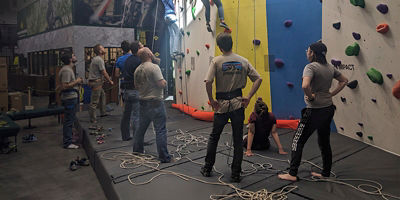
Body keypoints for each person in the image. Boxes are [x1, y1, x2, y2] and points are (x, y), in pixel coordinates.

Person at [278, 42, 348, 181]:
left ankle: (292, 174)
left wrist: (311, 97)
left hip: (314, 110)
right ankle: (325, 173)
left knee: (297, 140)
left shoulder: (310, 67)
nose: (307, 53)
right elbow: (344, 81)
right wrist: (331, 94)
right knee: (324, 141)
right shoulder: (330, 67)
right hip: (328, 108)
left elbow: (305, 85)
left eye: (308, 51)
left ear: (313, 53)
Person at [201, 33, 262, 182]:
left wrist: (211, 100)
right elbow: (258, 78)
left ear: (220, 47)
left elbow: (208, 82)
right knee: (236, 139)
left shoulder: (216, 61)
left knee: (214, 137)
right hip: (237, 104)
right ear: (232, 44)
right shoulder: (243, 61)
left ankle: (208, 168)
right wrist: (248, 96)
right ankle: (236, 173)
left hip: (221, 105)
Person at [132, 47, 171, 163]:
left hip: (143, 102)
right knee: (160, 130)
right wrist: (165, 82)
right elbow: (161, 84)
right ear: (149, 54)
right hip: (155, 102)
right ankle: (164, 157)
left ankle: (137, 151)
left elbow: (136, 86)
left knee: (141, 129)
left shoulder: (137, 70)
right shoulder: (154, 67)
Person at [120, 41, 143, 141]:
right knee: (136, 116)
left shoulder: (128, 59)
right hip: (134, 91)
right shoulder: (139, 61)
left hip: (126, 91)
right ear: (138, 49)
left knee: (126, 115)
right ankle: (137, 139)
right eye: (142, 47)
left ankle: (125, 136)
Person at [59, 52, 82, 149]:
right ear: (69, 59)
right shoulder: (67, 71)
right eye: (73, 56)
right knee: (68, 120)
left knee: (70, 119)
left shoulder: (68, 69)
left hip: (71, 98)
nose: (75, 56)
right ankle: (67, 143)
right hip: (69, 99)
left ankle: (70, 138)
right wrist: (77, 81)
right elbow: (65, 86)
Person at [88, 44, 114, 123]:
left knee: (102, 95)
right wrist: (110, 81)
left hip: (97, 81)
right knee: (94, 101)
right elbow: (104, 72)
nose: (104, 49)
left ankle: (103, 112)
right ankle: (93, 119)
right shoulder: (99, 60)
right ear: (99, 51)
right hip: (96, 82)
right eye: (102, 48)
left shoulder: (96, 59)